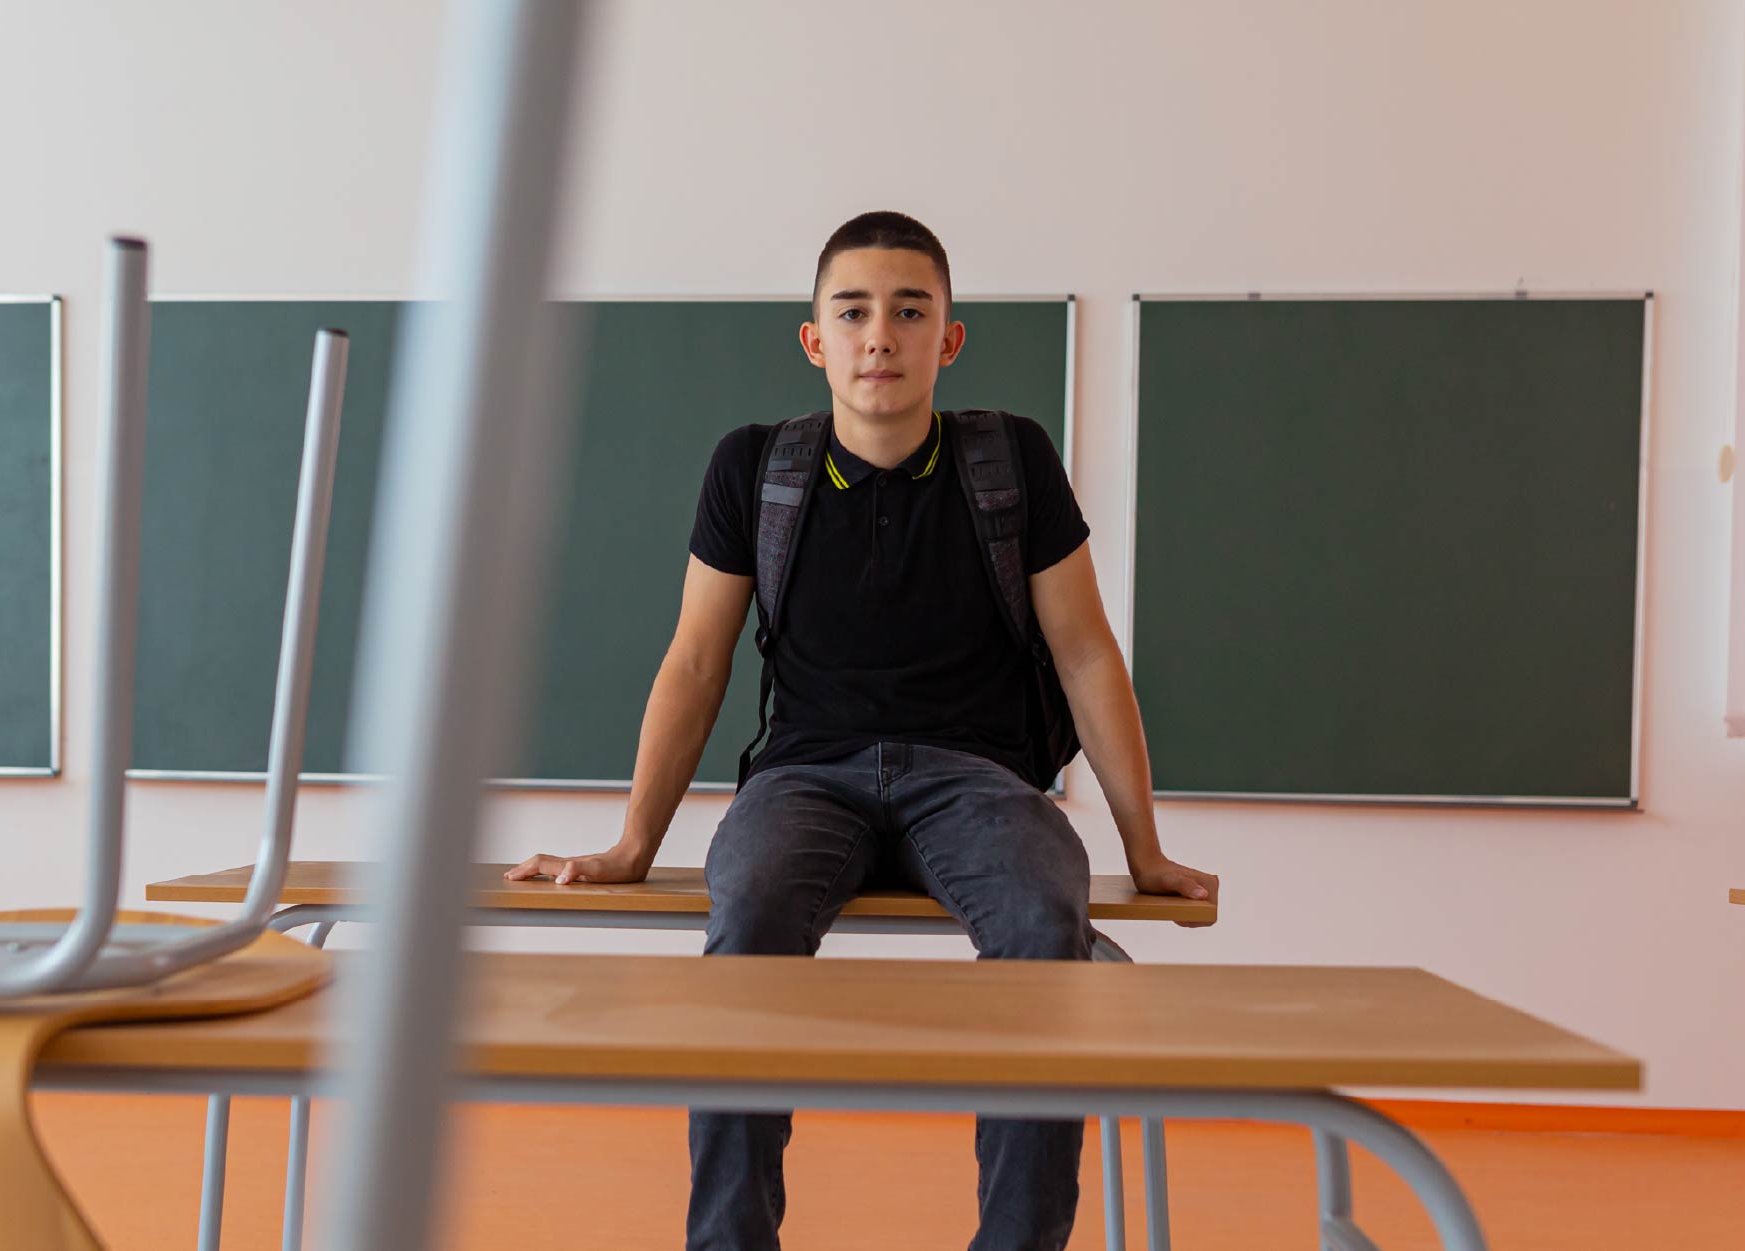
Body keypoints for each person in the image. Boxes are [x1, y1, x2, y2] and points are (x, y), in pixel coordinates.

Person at [507, 210, 1217, 1251]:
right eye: (852, 312)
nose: (878, 335)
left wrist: (1142, 850)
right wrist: (630, 848)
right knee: (744, 915)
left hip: (978, 781)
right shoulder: (754, 468)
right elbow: (694, 662)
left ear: (948, 338)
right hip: (804, 781)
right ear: (815, 340)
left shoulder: (1010, 460)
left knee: (1038, 924)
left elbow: (1085, 655)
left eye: (907, 310)